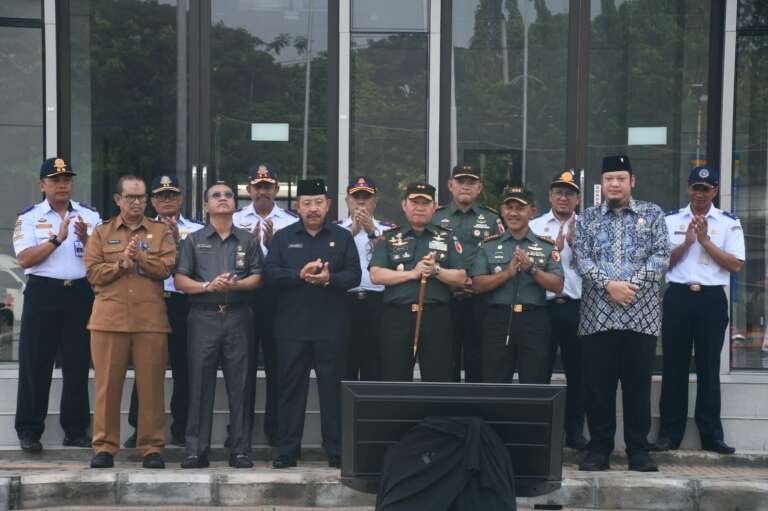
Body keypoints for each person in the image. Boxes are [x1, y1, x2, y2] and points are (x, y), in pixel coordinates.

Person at [574, 155, 670, 473]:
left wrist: (629, 285)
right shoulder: (587, 218)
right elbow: (581, 258)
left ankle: (638, 451)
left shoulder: (652, 214)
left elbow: (661, 255)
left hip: (640, 317)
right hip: (597, 317)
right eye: (609, 178)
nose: (615, 183)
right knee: (598, 387)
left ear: (632, 181)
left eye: (621, 178)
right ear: (602, 183)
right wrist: (608, 286)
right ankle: (599, 449)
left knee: (637, 387)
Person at [264, 178, 361, 469]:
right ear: (297, 207)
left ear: (328, 204)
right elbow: (270, 274)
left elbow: (354, 276)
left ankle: (335, 450)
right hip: (291, 329)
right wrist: (299, 275)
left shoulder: (342, 237)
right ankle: (287, 450)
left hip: (331, 328)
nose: (313, 209)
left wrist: (330, 279)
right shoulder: (283, 237)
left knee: (332, 391)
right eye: (307, 203)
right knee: (290, 390)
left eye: (319, 202)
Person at [85, 175, 176, 469]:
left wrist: (140, 259)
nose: (136, 202)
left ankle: (151, 447)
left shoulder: (161, 232)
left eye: (141, 197)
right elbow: (93, 273)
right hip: (109, 320)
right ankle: (104, 447)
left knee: (151, 387)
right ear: (118, 199)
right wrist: (121, 263)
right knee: (107, 386)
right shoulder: (101, 232)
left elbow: (166, 268)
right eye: (130, 197)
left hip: (150, 320)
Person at [653, 166, 744, 455]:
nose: (700, 194)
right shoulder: (670, 221)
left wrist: (705, 242)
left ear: (715, 191)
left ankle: (711, 435)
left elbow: (735, 265)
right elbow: (662, 263)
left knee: (708, 369)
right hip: (679, 296)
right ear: (688, 189)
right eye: (696, 188)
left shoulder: (728, 223)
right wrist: (687, 242)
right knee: (674, 368)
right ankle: (669, 434)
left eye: (706, 189)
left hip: (711, 299)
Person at [13, 157, 101, 452]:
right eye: (55, 180)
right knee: (35, 364)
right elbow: (24, 259)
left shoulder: (89, 216)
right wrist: (56, 239)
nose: (62, 185)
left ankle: (75, 430)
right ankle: (29, 430)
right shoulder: (28, 217)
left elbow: (102, 258)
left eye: (67, 179)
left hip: (79, 293)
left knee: (77, 366)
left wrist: (88, 240)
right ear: (42, 185)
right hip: (43, 293)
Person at [174, 181, 263, 469]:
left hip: (238, 316)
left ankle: (240, 450)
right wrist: (207, 285)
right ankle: (196, 450)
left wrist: (236, 284)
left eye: (228, 195)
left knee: (241, 384)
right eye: (216, 196)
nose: (223, 199)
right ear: (206, 205)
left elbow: (258, 278)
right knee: (199, 383)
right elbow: (180, 280)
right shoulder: (192, 239)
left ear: (235, 204)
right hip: (204, 316)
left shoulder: (248, 240)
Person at [124, 175, 204, 448]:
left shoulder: (197, 230)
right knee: (147, 368)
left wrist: (178, 242)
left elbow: (202, 267)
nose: (167, 200)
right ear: (153, 202)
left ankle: (182, 428)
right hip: (153, 300)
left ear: (181, 199)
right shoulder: (140, 228)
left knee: (186, 368)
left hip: (185, 303)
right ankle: (140, 428)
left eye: (172, 195)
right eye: (160, 196)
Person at [369, 182, 467, 383]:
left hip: (435, 316)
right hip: (398, 316)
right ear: (404, 205)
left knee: (438, 376)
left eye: (425, 203)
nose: (420, 207)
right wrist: (412, 274)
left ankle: (435, 415)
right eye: (415, 202)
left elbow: (461, 277)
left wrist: (436, 270)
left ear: (435, 207)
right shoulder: (389, 237)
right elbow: (376, 275)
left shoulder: (447, 238)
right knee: (394, 375)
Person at [233, 163, 298, 447]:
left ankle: (276, 430)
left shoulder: (290, 221)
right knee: (241, 366)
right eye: (257, 187)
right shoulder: (234, 219)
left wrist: (273, 244)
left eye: (268, 187)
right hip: (242, 296)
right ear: (249, 190)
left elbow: (295, 262)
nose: (263, 192)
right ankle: (239, 431)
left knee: (277, 365)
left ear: (276, 190)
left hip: (277, 299)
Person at [471, 185, 564, 384]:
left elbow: (557, 285)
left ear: (532, 211)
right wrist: (506, 275)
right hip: (498, 319)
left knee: (534, 381)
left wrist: (532, 269)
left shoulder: (546, 245)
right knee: (494, 381)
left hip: (534, 320)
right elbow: (476, 285)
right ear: (502, 210)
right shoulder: (489, 245)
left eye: (520, 208)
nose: (513, 213)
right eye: (509, 207)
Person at [529, 169, 588, 450]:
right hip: (544, 307)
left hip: (578, 307)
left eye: (569, 193)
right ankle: (540, 431)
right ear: (550, 196)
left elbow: (598, 267)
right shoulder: (536, 226)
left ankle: (575, 432)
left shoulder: (589, 225)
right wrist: (551, 251)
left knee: (579, 374)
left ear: (578, 198)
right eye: (558, 192)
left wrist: (576, 245)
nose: (563, 198)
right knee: (539, 371)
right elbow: (527, 267)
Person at [433, 164, 504, 382]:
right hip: (443, 296)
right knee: (444, 357)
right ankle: (447, 411)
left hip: (480, 299)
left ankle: (477, 411)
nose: (465, 187)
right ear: (450, 185)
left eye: (471, 182)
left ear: (479, 187)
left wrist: (474, 282)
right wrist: (451, 282)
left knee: (480, 357)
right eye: (461, 181)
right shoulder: (435, 217)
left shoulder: (492, 219)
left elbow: (499, 256)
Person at [338, 176, 396, 381]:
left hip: (378, 301)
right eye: (356, 197)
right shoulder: (336, 230)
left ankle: (374, 412)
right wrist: (351, 233)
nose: (361, 202)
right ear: (347, 201)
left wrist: (372, 231)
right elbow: (331, 260)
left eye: (366, 197)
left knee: (376, 363)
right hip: (344, 301)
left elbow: (394, 261)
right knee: (345, 363)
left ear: (375, 202)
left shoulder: (389, 230)